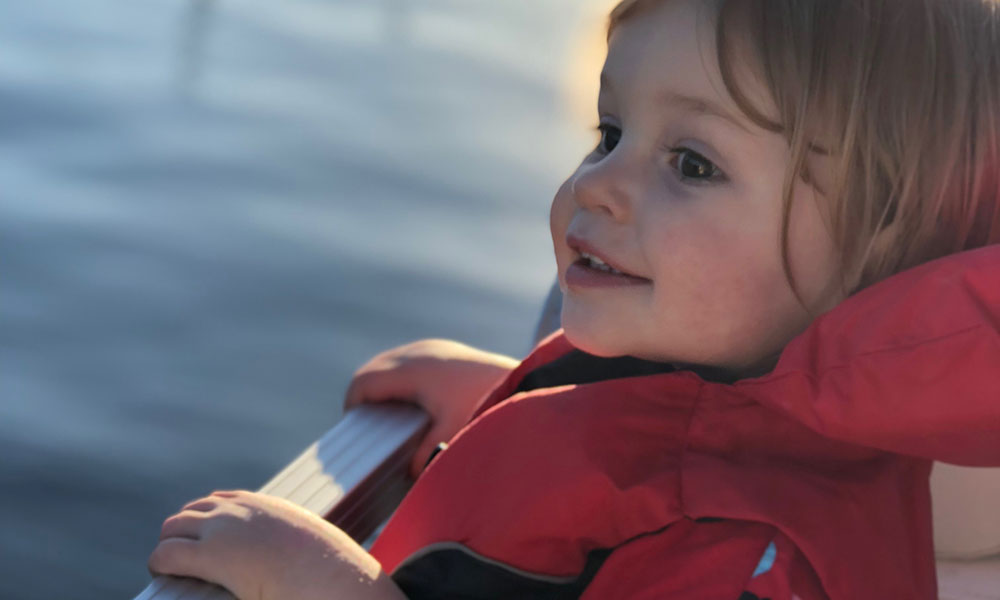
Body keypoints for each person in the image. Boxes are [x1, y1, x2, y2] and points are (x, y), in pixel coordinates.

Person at [146, 0, 1000, 598]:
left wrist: (325, 587)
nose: (596, 185)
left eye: (692, 164)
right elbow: (663, 438)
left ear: (878, 242)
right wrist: (513, 398)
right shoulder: (736, 381)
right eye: (610, 133)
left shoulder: (750, 562)